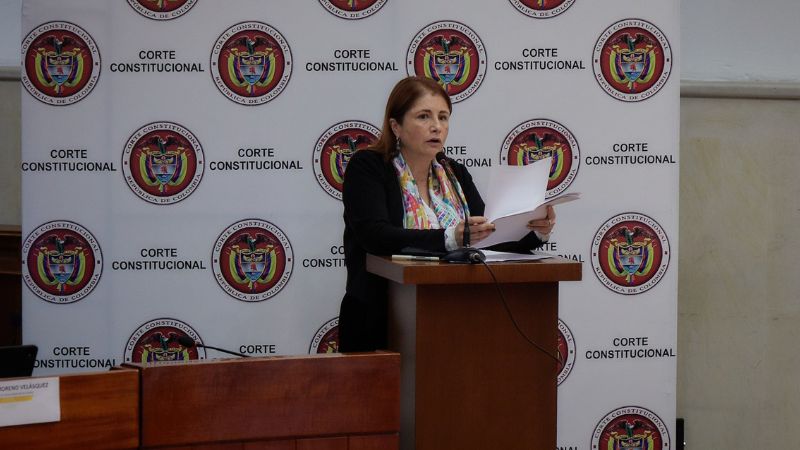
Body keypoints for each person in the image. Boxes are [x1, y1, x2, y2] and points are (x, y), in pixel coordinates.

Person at [339, 76, 556, 352]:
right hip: (380, 319)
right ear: (396, 126)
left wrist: (534, 229)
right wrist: (451, 238)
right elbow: (375, 236)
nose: (436, 126)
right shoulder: (368, 167)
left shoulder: (454, 173)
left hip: (456, 318)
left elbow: (487, 234)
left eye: (443, 117)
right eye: (423, 116)